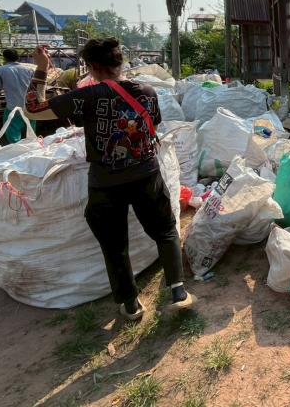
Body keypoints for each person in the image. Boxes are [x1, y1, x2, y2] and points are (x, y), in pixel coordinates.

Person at [23, 38, 195, 321]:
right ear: (120, 62)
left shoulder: (86, 96)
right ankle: (178, 292)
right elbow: (153, 124)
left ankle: (131, 305)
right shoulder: (147, 91)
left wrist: (41, 68)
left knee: (114, 246)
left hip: (105, 183)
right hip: (147, 175)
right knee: (165, 230)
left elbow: (33, 109)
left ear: (92, 67)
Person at [0, 48, 37, 143]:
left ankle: (17, 149)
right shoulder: (29, 69)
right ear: (18, 57)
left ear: (5, 58)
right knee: (31, 135)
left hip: (12, 108)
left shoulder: (0, 70)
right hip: (29, 107)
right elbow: (34, 87)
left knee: (13, 136)